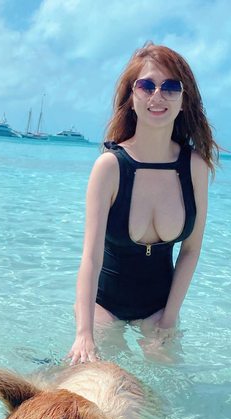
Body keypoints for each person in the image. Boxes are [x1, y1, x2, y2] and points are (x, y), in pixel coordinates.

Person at [68, 42, 218, 365]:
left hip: (159, 309)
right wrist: (84, 333)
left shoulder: (195, 168)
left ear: (184, 100)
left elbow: (191, 250)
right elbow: (90, 258)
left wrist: (169, 319)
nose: (157, 96)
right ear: (132, 97)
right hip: (103, 308)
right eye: (147, 86)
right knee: (107, 385)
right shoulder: (110, 167)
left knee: (168, 388)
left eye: (170, 87)